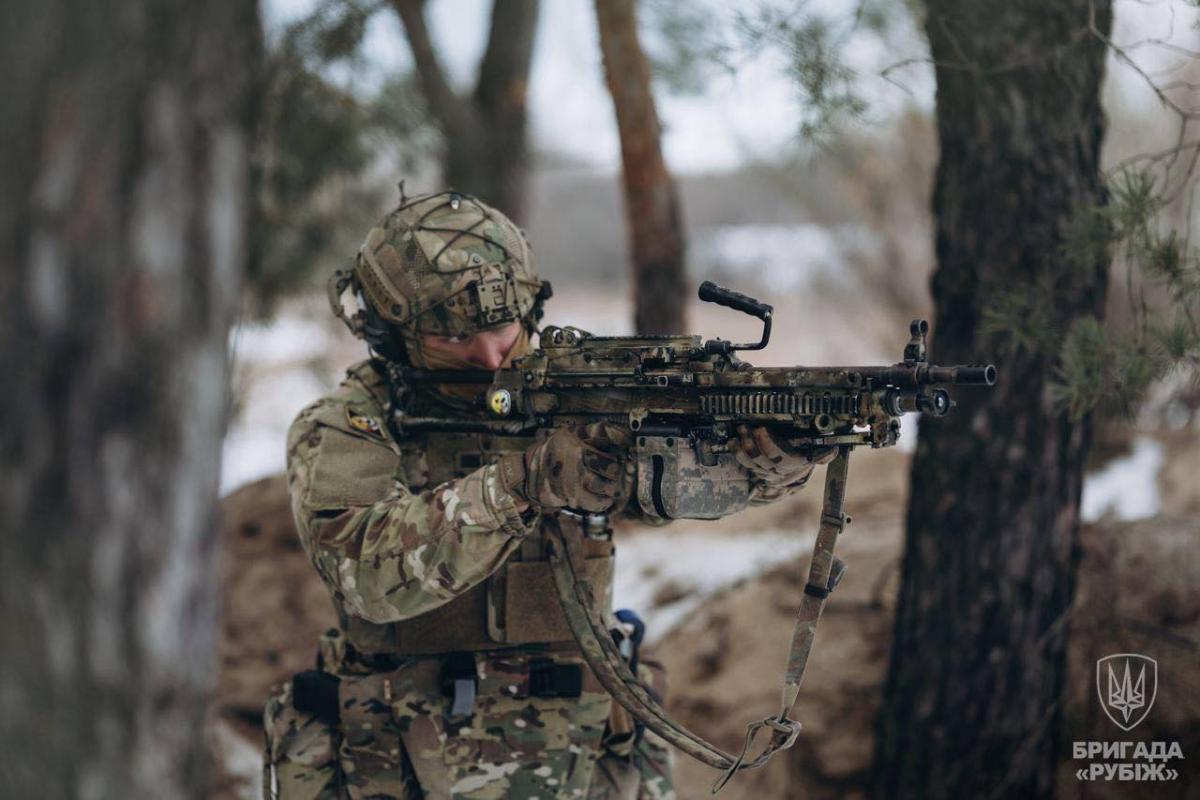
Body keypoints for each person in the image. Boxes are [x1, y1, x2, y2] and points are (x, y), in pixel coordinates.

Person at [262, 190, 829, 799]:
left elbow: (676, 484)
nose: (487, 357)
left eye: (502, 329)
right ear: (390, 334)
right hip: (401, 764)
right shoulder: (348, 426)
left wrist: (768, 455)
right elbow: (365, 572)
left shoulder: (567, 389)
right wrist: (523, 483)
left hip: (580, 758)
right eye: (452, 340)